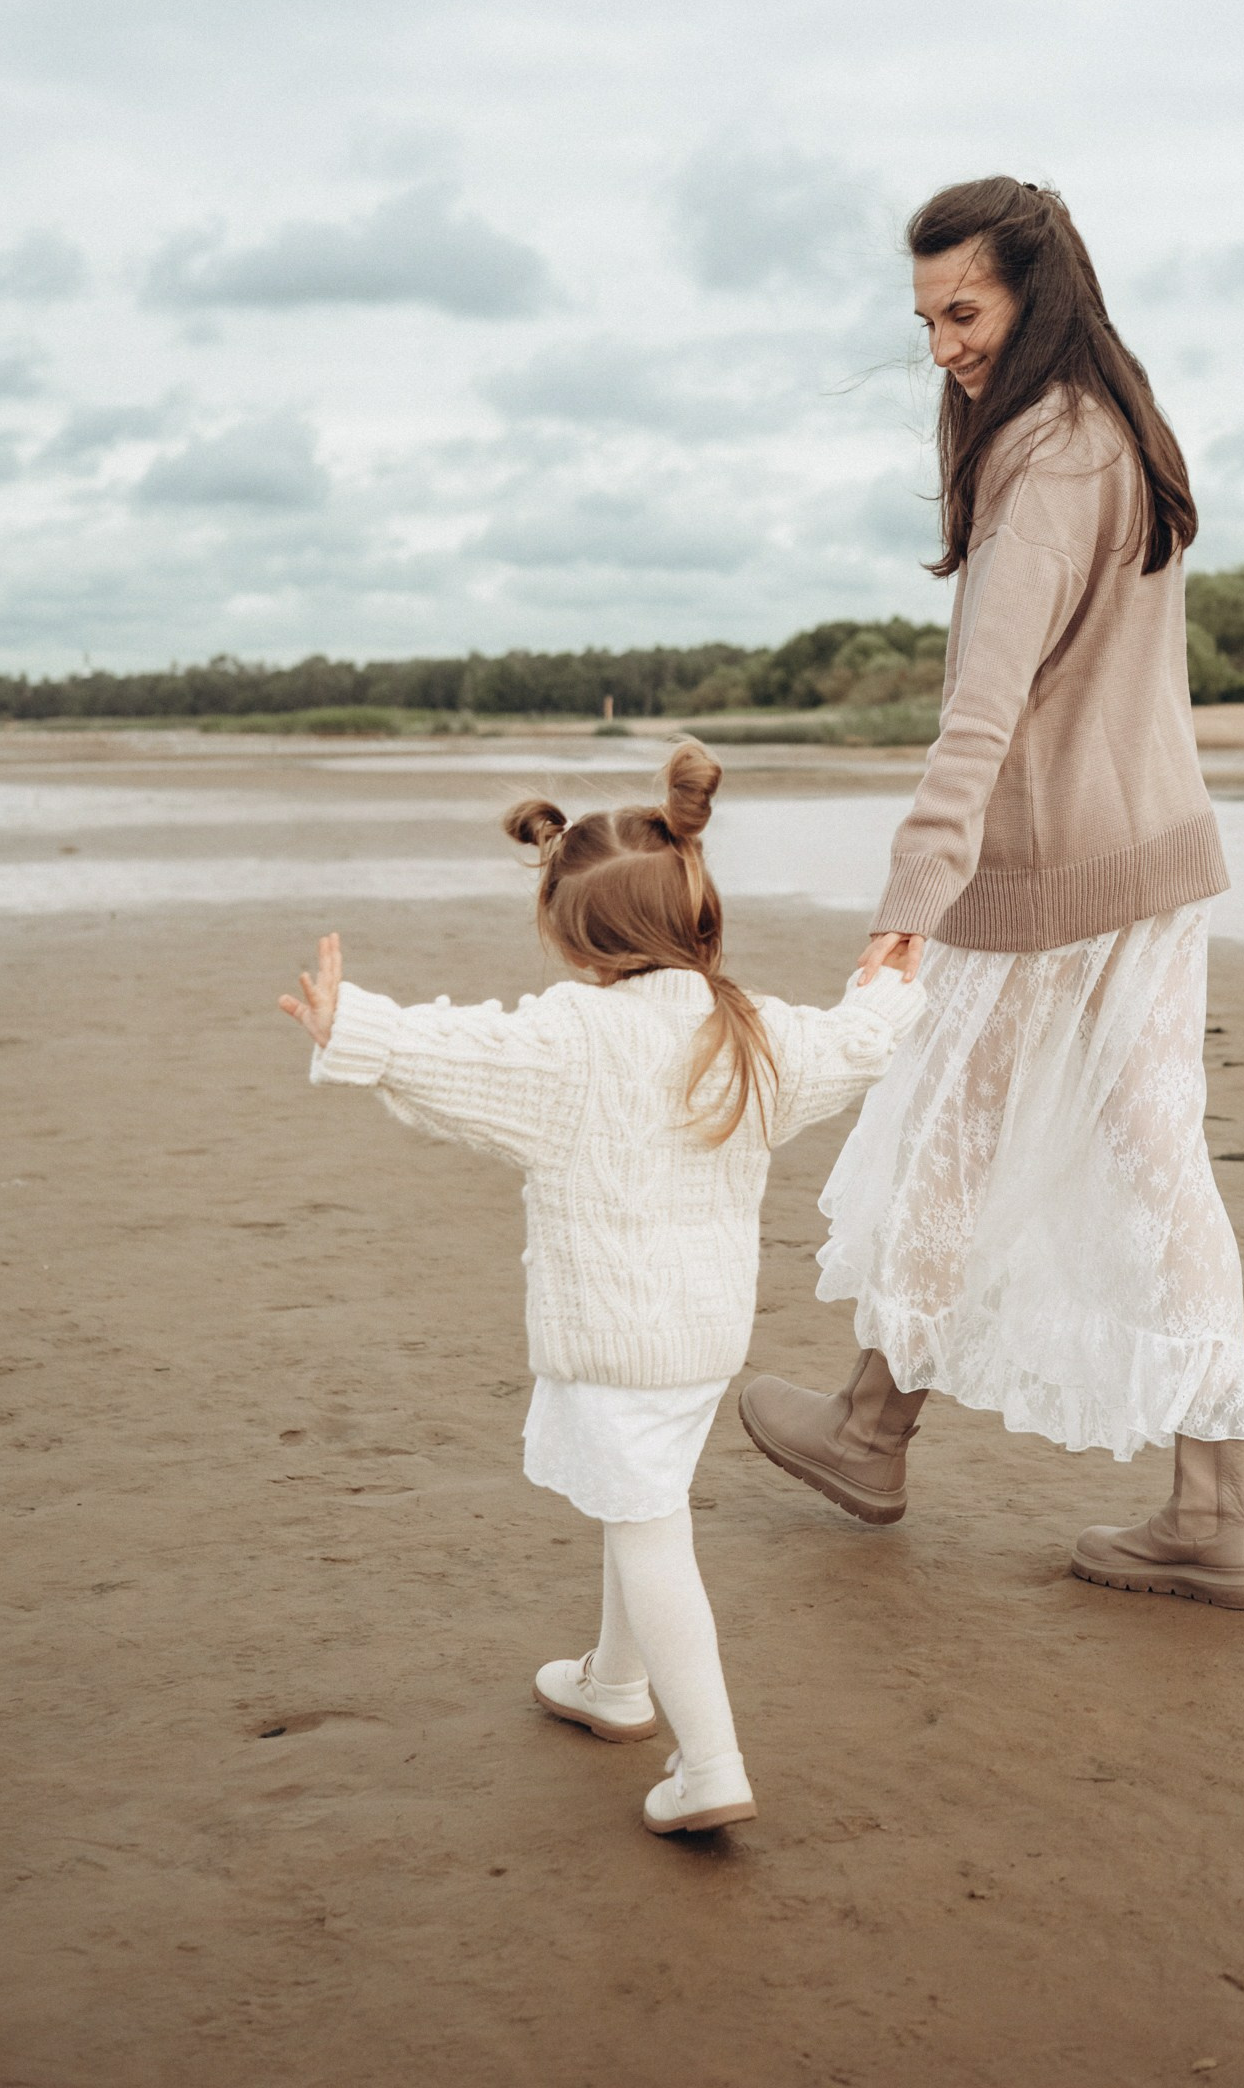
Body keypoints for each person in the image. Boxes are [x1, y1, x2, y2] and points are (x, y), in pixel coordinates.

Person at [739, 177, 1244, 1612]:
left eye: (960, 313)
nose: (939, 348)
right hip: (1158, 854)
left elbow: (977, 715)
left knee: (944, 1130)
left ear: (1034, 296)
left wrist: (905, 902)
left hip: (1052, 866)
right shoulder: (1115, 424)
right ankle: (1213, 1509)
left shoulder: (1045, 459)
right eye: (921, 319)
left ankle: (868, 1433)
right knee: (1156, 1159)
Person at [278, 742, 926, 1835]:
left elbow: (459, 1052)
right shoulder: (751, 1029)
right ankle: (614, 1685)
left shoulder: (571, 1038)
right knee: (644, 1497)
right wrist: (889, 985)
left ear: (572, 939)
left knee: (645, 1524)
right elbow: (854, 1045)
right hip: (699, 1335)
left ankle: (711, 1759)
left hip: (612, 1337)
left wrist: (356, 1025)